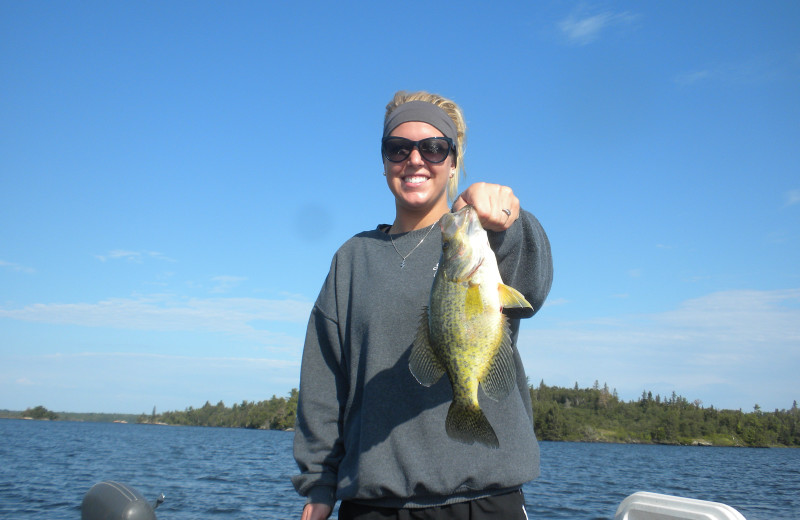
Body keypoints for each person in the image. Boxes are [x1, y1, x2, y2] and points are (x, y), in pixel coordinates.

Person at [292, 90, 553, 520]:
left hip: (485, 501)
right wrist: (319, 484)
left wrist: (509, 219)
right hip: (375, 505)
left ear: (453, 161)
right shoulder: (352, 259)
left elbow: (533, 285)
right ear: (384, 162)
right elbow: (324, 380)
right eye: (398, 149)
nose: (415, 160)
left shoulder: (483, 239)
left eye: (433, 148)